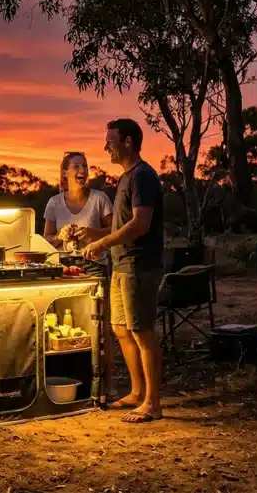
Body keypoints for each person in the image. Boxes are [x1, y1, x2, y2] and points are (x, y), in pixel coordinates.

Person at [83, 118, 165, 424]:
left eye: (111, 141)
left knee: (142, 332)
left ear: (128, 142)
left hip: (139, 265)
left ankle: (153, 403)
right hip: (121, 264)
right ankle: (136, 392)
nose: (106, 147)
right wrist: (91, 236)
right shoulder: (126, 177)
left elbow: (140, 225)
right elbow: (120, 226)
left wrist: (103, 242)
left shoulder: (143, 176)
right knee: (121, 328)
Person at [42, 152, 112, 277]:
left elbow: (116, 231)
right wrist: (59, 236)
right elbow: (46, 240)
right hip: (62, 267)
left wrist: (92, 233)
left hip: (94, 265)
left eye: (85, 166)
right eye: (76, 166)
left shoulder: (100, 199)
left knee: (97, 297)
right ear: (65, 172)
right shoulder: (54, 203)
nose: (82, 170)